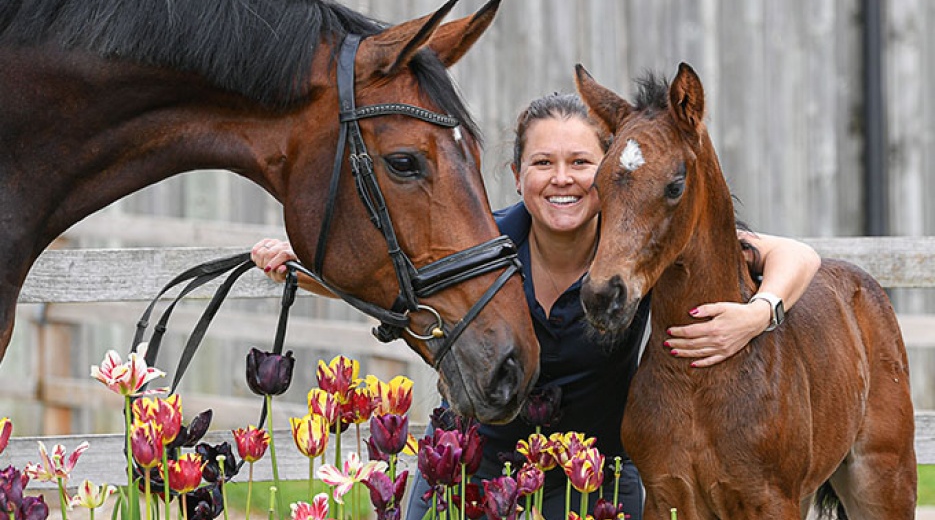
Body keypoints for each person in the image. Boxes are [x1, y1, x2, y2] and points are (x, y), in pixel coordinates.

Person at [251, 93, 821, 520]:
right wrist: (302, 268)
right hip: (472, 466)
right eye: (543, 163)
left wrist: (759, 311)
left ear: (608, 174)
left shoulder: (634, 248)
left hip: (590, 480)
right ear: (516, 174)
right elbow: (397, 280)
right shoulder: (480, 245)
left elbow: (798, 255)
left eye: (580, 163)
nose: (562, 180)